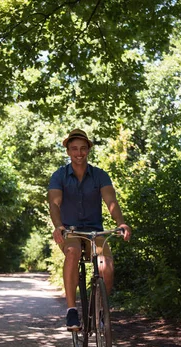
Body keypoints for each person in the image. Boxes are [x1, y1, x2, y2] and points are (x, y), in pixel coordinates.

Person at [48, 129, 131, 331]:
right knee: (72, 252)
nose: (79, 153)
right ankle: (71, 311)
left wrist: (121, 222)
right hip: (71, 231)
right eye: (74, 149)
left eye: (83, 148)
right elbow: (54, 203)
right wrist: (59, 226)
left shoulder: (100, 175)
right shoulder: (59, 176)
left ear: (88, 150)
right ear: (68, 151)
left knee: (106, 266)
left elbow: (111, 201)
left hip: (95, 231)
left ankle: (100, 311)